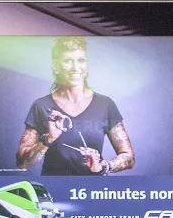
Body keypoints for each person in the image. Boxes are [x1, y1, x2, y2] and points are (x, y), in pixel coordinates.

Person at [14, 35, 134, 175]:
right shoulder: (41, 106)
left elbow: (128, 156)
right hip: (55, 191)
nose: (75, 67)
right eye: (68, 61)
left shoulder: (105, 104)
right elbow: (22, 163)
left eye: (81, 60)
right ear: (56, 66)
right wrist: (48, 139)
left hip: (91, 192)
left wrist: (103, 166)